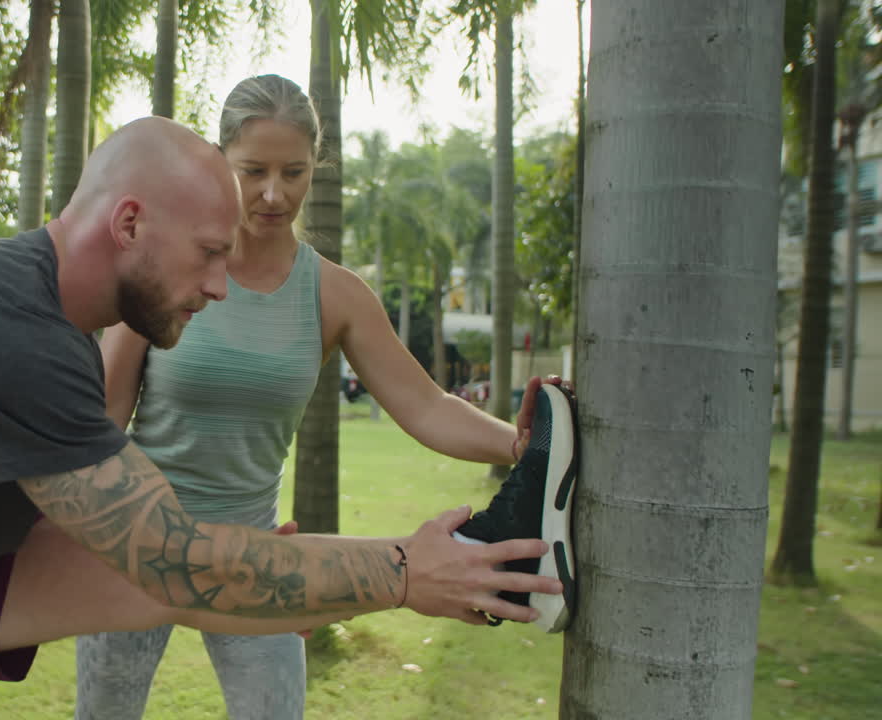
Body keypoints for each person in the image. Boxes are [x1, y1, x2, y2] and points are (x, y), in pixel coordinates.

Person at [0, 116, 563, 720]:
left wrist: (277, 571)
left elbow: (111, 558)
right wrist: (399, 571)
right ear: (127, 224)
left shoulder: (41, 323)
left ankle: (493, 555)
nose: (217, 284)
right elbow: (178, 564)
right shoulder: (2, 331)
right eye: (207, 253)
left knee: (180, 580)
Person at [76, 75, 577, 720]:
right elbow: (106, 421)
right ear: (220, 159)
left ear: (318, 166)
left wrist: (524, 443)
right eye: (253, 170)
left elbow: (425, 406)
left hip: (255, 557)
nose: (273, 193)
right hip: (139, 547)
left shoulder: (335, 295)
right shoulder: (164, 265)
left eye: (294, 171)